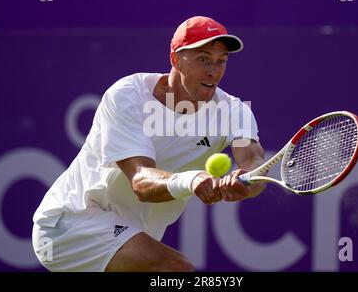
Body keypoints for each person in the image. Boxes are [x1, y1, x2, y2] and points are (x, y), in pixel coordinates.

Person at [32, 16, 266, 272]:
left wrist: (247, 182)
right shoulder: (128, 96)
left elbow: (253, 160)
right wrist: (191, 180)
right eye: (203, 59)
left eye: (221, 61)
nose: (214, 70)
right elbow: (142, 182)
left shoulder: (234, 111)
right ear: (176, 59)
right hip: (70, 224)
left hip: (129, 236)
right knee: (176, 269)